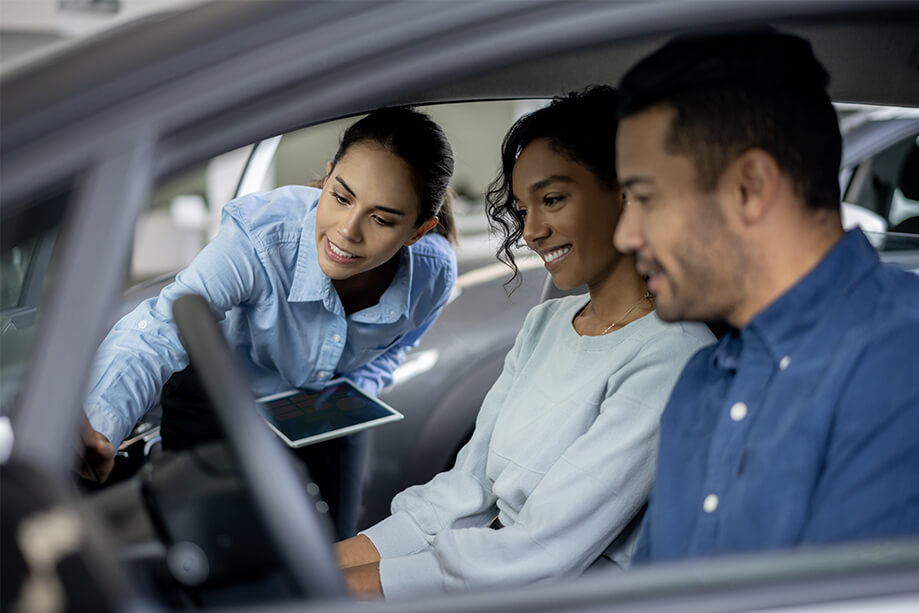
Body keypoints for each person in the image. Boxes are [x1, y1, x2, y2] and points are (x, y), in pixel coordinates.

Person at [335, 86, 714, 599]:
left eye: (552, 200)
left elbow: (537, 557)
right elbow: (464, 491)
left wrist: (350, 587)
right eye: (522, 209)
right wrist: (331, 564)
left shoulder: (672, 355)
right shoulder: (546, 324)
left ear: (627, 191)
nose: (531, 231)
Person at [80, 106, 458, 539]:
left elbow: (398, 346)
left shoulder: (434, 274)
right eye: (341, 197)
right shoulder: (259, 238)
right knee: (206, 539)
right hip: (218, 397)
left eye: (381, 219)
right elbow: (159, 331)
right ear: (328, 176)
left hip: (325, 410)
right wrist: (97, 427)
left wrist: (354, 392)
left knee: (332, 545)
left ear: (417, 231)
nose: (347, 232)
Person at [612, 30, 919, 562]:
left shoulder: (899, 364)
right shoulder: (699, 381)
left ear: (750, 188)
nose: (625, 235)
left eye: (645, 197)